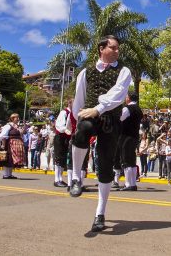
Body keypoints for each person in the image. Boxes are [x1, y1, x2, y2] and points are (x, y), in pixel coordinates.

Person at [69, 35, 132, 232]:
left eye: (117, 49)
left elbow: (118, 94)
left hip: (110, 120)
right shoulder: (85, 72)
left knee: (105, 165)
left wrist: (98, 108)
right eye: (113, 48)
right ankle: (77, 177)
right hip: (88, 115)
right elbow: (79, 99)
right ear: (101, 48)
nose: (117, 51)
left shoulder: (124, 71)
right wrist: (76, 120)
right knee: (84, 129)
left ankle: (100, 213)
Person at [116, 91, 143, 191]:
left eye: (126, 96)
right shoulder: (139, 109)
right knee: (131, 160)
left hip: (126, 136)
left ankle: (128, 184)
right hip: (135, 136)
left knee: (125, 160)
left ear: (129, 98)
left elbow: (120, 119)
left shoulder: (127, 108)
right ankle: (133, 183)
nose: (125, 98)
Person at [0, 113, 26, 179]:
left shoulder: (16, 126)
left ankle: (9, 174)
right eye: (17, 117)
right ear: (12, 118)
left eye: (18, 117)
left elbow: (21, 133)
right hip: (9, 144)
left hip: (15, 145)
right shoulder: (8, 126)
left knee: (11, 160)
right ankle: (6, 174)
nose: (18, 119)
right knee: (8, 159)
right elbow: (2, 135)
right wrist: (6, 142)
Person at [53, 100, 74, 187]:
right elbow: (59, 126)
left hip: (66, 138)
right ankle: (56, 180)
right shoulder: (64, 112)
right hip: (60, 137)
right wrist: (67, 130)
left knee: (63, 158)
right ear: (69, 104)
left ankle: (60, 178)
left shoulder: (72, 113)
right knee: (59, 158)